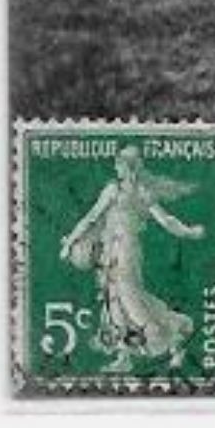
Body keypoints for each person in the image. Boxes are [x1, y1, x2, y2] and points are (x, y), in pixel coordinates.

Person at [58, 146, 205, 372]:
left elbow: (165, 220)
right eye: (117, 163)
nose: (116, 167)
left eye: (120, 163)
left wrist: (188, 232)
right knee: (113, 302)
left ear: (130, 166)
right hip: (110, 252)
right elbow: (92, 219)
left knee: (131, 301)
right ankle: (124, 357)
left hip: (126, 252)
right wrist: (71, 242)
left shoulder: (135, 192)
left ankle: (174, 342)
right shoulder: (119, 190)